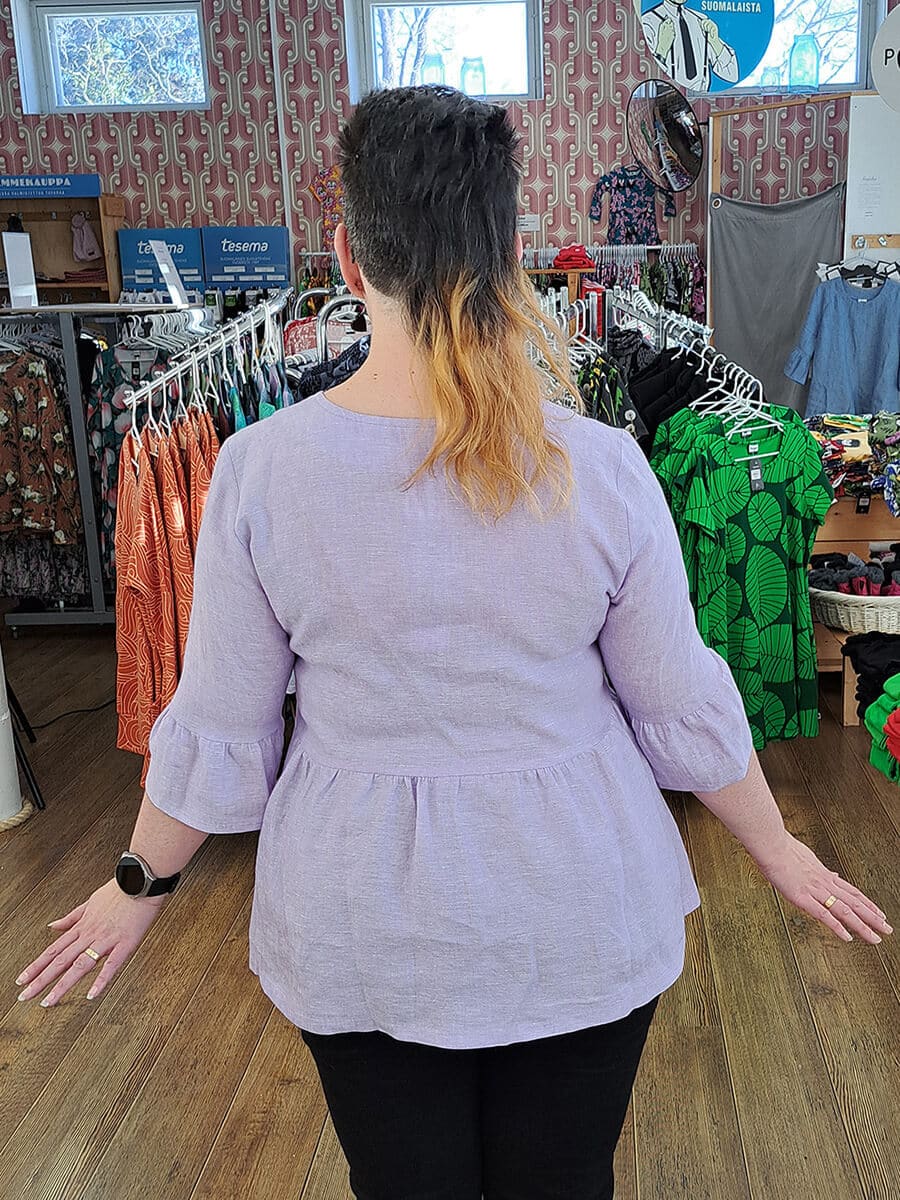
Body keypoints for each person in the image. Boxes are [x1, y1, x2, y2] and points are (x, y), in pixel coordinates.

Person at [16, 87, 892, 1200]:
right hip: (579, 899)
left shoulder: (262, 473)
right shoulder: (602, 469)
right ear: (510, 255)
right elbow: (679, 704)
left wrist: (136, 886)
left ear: (348, 255)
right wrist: (782, 852)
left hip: (361, 913)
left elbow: (223, 724)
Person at [641, 0, 739, 92]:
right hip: (669, 97)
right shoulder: (648, 22)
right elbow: (645, 77)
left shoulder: (700, 20)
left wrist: (715, 42)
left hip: (701, 98)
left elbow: (731, 74)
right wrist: (662, 49)